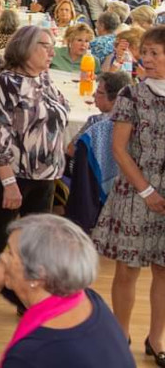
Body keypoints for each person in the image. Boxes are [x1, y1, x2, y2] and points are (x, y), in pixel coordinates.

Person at [0, 214, 132, 368]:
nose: (2, 258)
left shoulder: (32, 354)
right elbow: (7, 279)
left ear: (37, 275)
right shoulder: (87, 299)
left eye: (10, 253)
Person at [0, 25, 70, 329]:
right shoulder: (5, 83)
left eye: (53, 46)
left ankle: (26, 300)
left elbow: (57, 116)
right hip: (10, 176)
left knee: (32, 244)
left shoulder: (45, 78)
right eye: (45, 46)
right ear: (25, 47)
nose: (52, 52)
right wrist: (9, 181)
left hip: (44, 177)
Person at [88, 27, 165, 361]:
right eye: (144, 52)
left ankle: (157, 339)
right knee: (127, 271)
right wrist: (147, 190)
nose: (146, 59)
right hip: (135, 194)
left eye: (154, 53)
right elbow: (119, 150)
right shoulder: (131, 95)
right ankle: (120, 338)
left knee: (164, 271)